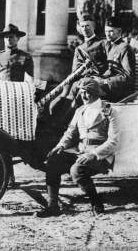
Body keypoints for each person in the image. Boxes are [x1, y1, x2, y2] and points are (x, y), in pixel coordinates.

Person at [37, 78, 120, 217]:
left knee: (77, 170)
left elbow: (114, 140)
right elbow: (70, 132)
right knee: (53, 161)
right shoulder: (80, 110)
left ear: (96, 93)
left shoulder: (109, 111)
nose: (84, 96)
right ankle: (53, 206)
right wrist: (60, 146)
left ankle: (96, 203)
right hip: (81, 152)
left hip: (101, 156)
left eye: (88, 93)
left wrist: (93, 154)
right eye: (82, 93)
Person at [99, 16, 136, 102]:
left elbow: (128, 77)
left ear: (119, 31)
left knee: (90, 88)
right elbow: (110, 69)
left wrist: (105, 81)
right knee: (83, 84)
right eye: (106, 31)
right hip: (111, 85)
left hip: (121, 90)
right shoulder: (110, 46)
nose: (107, 34)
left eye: (111, 31)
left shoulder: (125, 48)